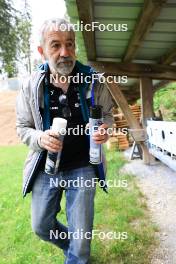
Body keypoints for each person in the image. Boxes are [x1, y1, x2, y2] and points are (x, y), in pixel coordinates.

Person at [16, 18, 113, 264]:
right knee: (41, 226)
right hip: (45, 168)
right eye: (55, 45)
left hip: (82, 166)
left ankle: (79, 253)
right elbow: (22, 128)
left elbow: (109, 117)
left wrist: (104, 129)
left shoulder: (93, 80)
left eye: (69, 45)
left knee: (81, 246)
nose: (64, 52)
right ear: (42, 51)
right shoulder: (30, 84)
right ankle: (76, 246)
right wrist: (40, 138)